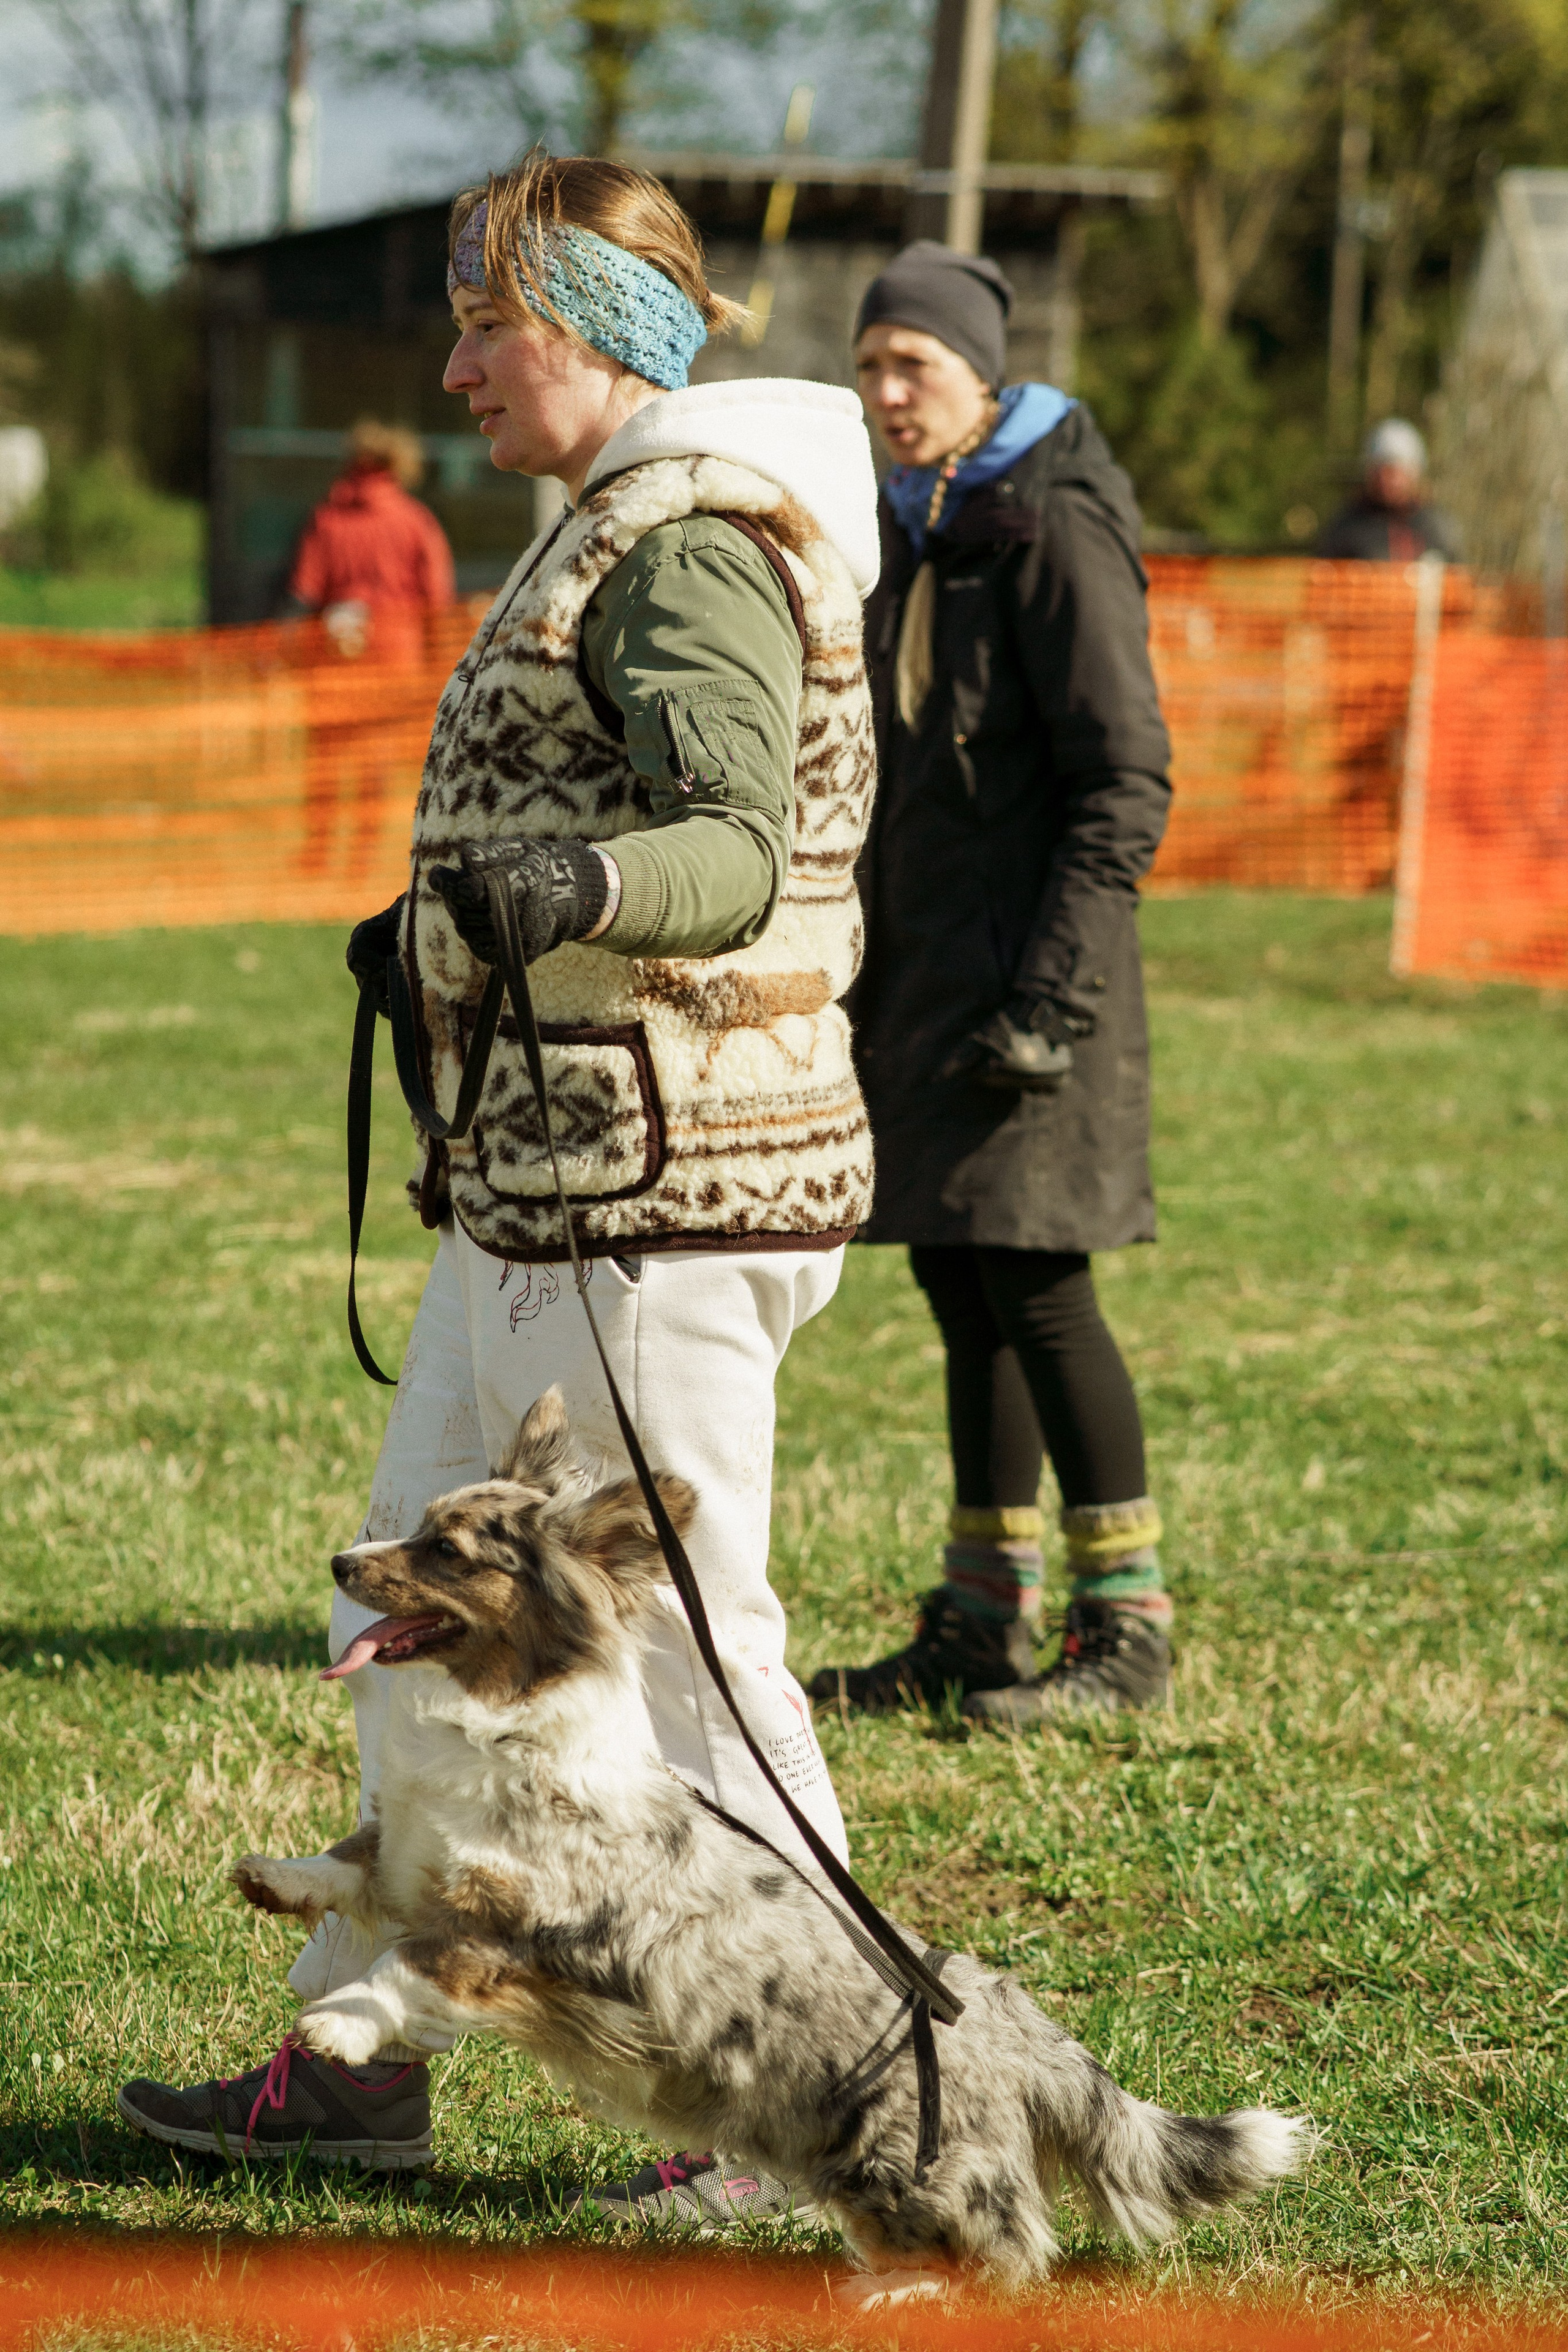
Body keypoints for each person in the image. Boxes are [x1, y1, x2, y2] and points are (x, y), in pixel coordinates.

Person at [118, 153, 881, 2225]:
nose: (452, 368)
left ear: (601, 333)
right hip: (554, 1180)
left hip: (665, 1186)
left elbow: (724, 844)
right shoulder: (606, 524)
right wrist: (446, 924)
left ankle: (802, 2102)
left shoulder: (690, 538)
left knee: (697, 1652)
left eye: (487, 325)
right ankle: (360, 2057)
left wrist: (564, 890)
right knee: (411, 1597)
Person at [808, 240, 1174, 1728]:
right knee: (961, 1285)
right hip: (932, 984)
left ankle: (1126, 1631)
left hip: (1038, 986)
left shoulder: (1044, 527)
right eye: (869, 365)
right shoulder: (912, 524)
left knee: (1039, 1290)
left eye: (915, 365)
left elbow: (1122, 776)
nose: (889, 393)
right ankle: (980, 1617)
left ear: (980, 375)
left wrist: (1049, 999)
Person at [285, 418, 456, 662]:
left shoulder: (326, 518)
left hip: (340, 649)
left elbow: (305, 589)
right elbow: (437, 597)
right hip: (400, 653)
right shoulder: (416, 520)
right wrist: (439, 657)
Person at [1314, 419, 1459, 562]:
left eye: (1394, 472)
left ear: (1414, 473)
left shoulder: (1436, 528)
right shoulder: (1347, 529)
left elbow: (1458, 577)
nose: (1387, 481)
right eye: (1380, 472)